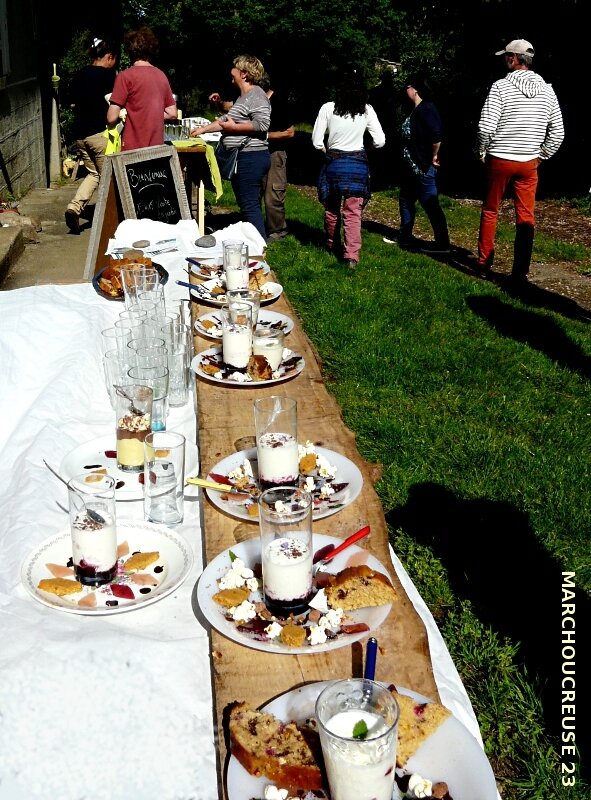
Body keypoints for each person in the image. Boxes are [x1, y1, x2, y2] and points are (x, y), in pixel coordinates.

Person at [475, 39, 564, 281]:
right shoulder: (547, 90)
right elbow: (558, 132)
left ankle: (483, 263)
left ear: (514, 59)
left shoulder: (500, 87)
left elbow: (485, 126)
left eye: (506, 56)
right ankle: (520, 272)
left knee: (491, 210)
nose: (504, 60)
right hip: (528, 162)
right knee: (525, 217)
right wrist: (542, 155)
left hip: (500, 158)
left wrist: (481, 151)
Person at [190, 55, 271, 240]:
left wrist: (234, 128)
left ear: (243, 73)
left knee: (250, 205)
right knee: (247, 204)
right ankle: (254, 246)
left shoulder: (256, 95)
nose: (231, 72)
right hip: (244, 157)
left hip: (251, 156)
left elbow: (262, 124)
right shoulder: (244, 97)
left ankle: (260, 249)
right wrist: (202, 130)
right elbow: (225, 121)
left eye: (234, 68)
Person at [312, 73, 385, 269]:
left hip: (334, 164)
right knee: (353, 212)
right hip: (357, 166)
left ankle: (330, 243)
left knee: (332, 208)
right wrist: (365, 151)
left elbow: (316, 141)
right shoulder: (367, 110)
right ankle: (351, 255)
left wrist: (329, 153)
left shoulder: (328, 108)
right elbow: (380, 140)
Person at [64, 37, 118, 233]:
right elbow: (115, 104)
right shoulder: (108, 76)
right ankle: (111, 222)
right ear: (109, 57)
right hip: (99, 134)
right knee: (109, 179)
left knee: (94, 173)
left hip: (80, 134)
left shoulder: (79, 75)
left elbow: (71, 103)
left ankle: (74, 208)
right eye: (114, 59)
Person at [397, 75, 450, 254]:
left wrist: (434, 156)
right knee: (405, 198)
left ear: (415, 89)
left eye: (407, 87)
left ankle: (442, 243)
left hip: (423, 166)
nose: (406, 90)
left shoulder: (426, 109)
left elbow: (436, 135)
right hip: (413, 167)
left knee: (430, 202)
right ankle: (405, 236)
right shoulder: (416, 109)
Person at [106, 27, 177, 151]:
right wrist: (150, 114)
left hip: (132, 149)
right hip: (157, 148)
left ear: (129, 50)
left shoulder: (125, 76)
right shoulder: (161, 75)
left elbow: (111, 117)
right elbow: (172, 113)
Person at [259, 73, 295, 240]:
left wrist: (266, 136)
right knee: (255, 190)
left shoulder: (279, 102)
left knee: (273, 192)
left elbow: (290, 132)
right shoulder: (255, 101)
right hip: (256, 151)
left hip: (275, 153)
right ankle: (256, 227)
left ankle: (278, 230)